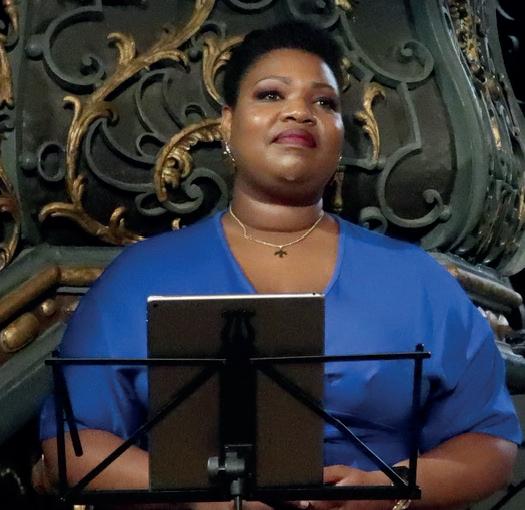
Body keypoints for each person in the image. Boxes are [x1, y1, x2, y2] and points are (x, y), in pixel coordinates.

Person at [39, 21, 522, 509]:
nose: (299, 111)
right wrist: (202, 497)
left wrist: (384, 491)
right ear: (227, 124)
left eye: (324, 103)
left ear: (340, 136)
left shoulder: (416, 279)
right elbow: (73, 442)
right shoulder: (139, 276)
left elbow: (490, 443)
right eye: (271, 95)